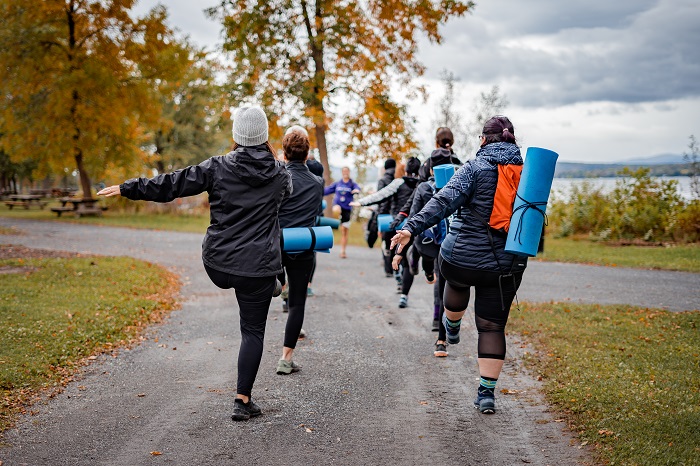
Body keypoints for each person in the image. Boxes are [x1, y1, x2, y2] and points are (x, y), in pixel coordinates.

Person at [97, 106, 292, 422]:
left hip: (218, 264)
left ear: (236, 136)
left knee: (257, 284)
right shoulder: (280, 176)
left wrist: (127, 187)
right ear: (265, 136)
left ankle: (271, 283)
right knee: (253, 331)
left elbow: (171, 184)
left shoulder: (216, 167)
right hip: (255, 267)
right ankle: (242, 401)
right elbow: (292, 188)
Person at [391, 116, 527, 414]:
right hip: (507, 263)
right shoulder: (526, 172)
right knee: (492, 325)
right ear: (512, 139)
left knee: (455, 278)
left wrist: (410, 228)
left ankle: (450, 325)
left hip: (462, 258)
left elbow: (443, 202)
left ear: (483, 140)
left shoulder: (473, 168)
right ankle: (487, 394)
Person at [275, 128, 324, 375]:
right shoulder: (318, 183)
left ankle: (278, 284)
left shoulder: (277, 178)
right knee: (297, 304)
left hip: (276, 243)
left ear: (284, 154)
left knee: (272, 287)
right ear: (307, 156)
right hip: (303, 245)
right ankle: (286, 358)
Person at [352, 158, 421, 306]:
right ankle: (404, 293)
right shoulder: (422, 185)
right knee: (407, 258)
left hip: (395, 223)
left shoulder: (398, 183)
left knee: (395, 251)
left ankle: (397, 274)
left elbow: (381, 195)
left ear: (406, 170)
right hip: (413, 227)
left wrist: (361, 202)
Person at [324, 167, 361, 258]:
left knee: (344, 232)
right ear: (342, 172)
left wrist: (356, 191)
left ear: (349, 172)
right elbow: (326, 190)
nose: (345, 173)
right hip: (337, 206)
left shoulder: (352, 184)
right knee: (336, 208)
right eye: (343, 171)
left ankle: (343, 251)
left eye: (347, 171)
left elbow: (357, 188)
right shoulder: (337, 183)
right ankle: (336, 221)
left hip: (347, 210)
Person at [377, 159, 396, 276]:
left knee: (385, 241)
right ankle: (395, 267)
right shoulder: (398, 179)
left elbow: (380, 199)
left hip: (385, 216)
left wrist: (380, 214)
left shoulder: (382, 180)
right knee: (395, 240)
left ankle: (388, 268)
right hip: (396, 214)